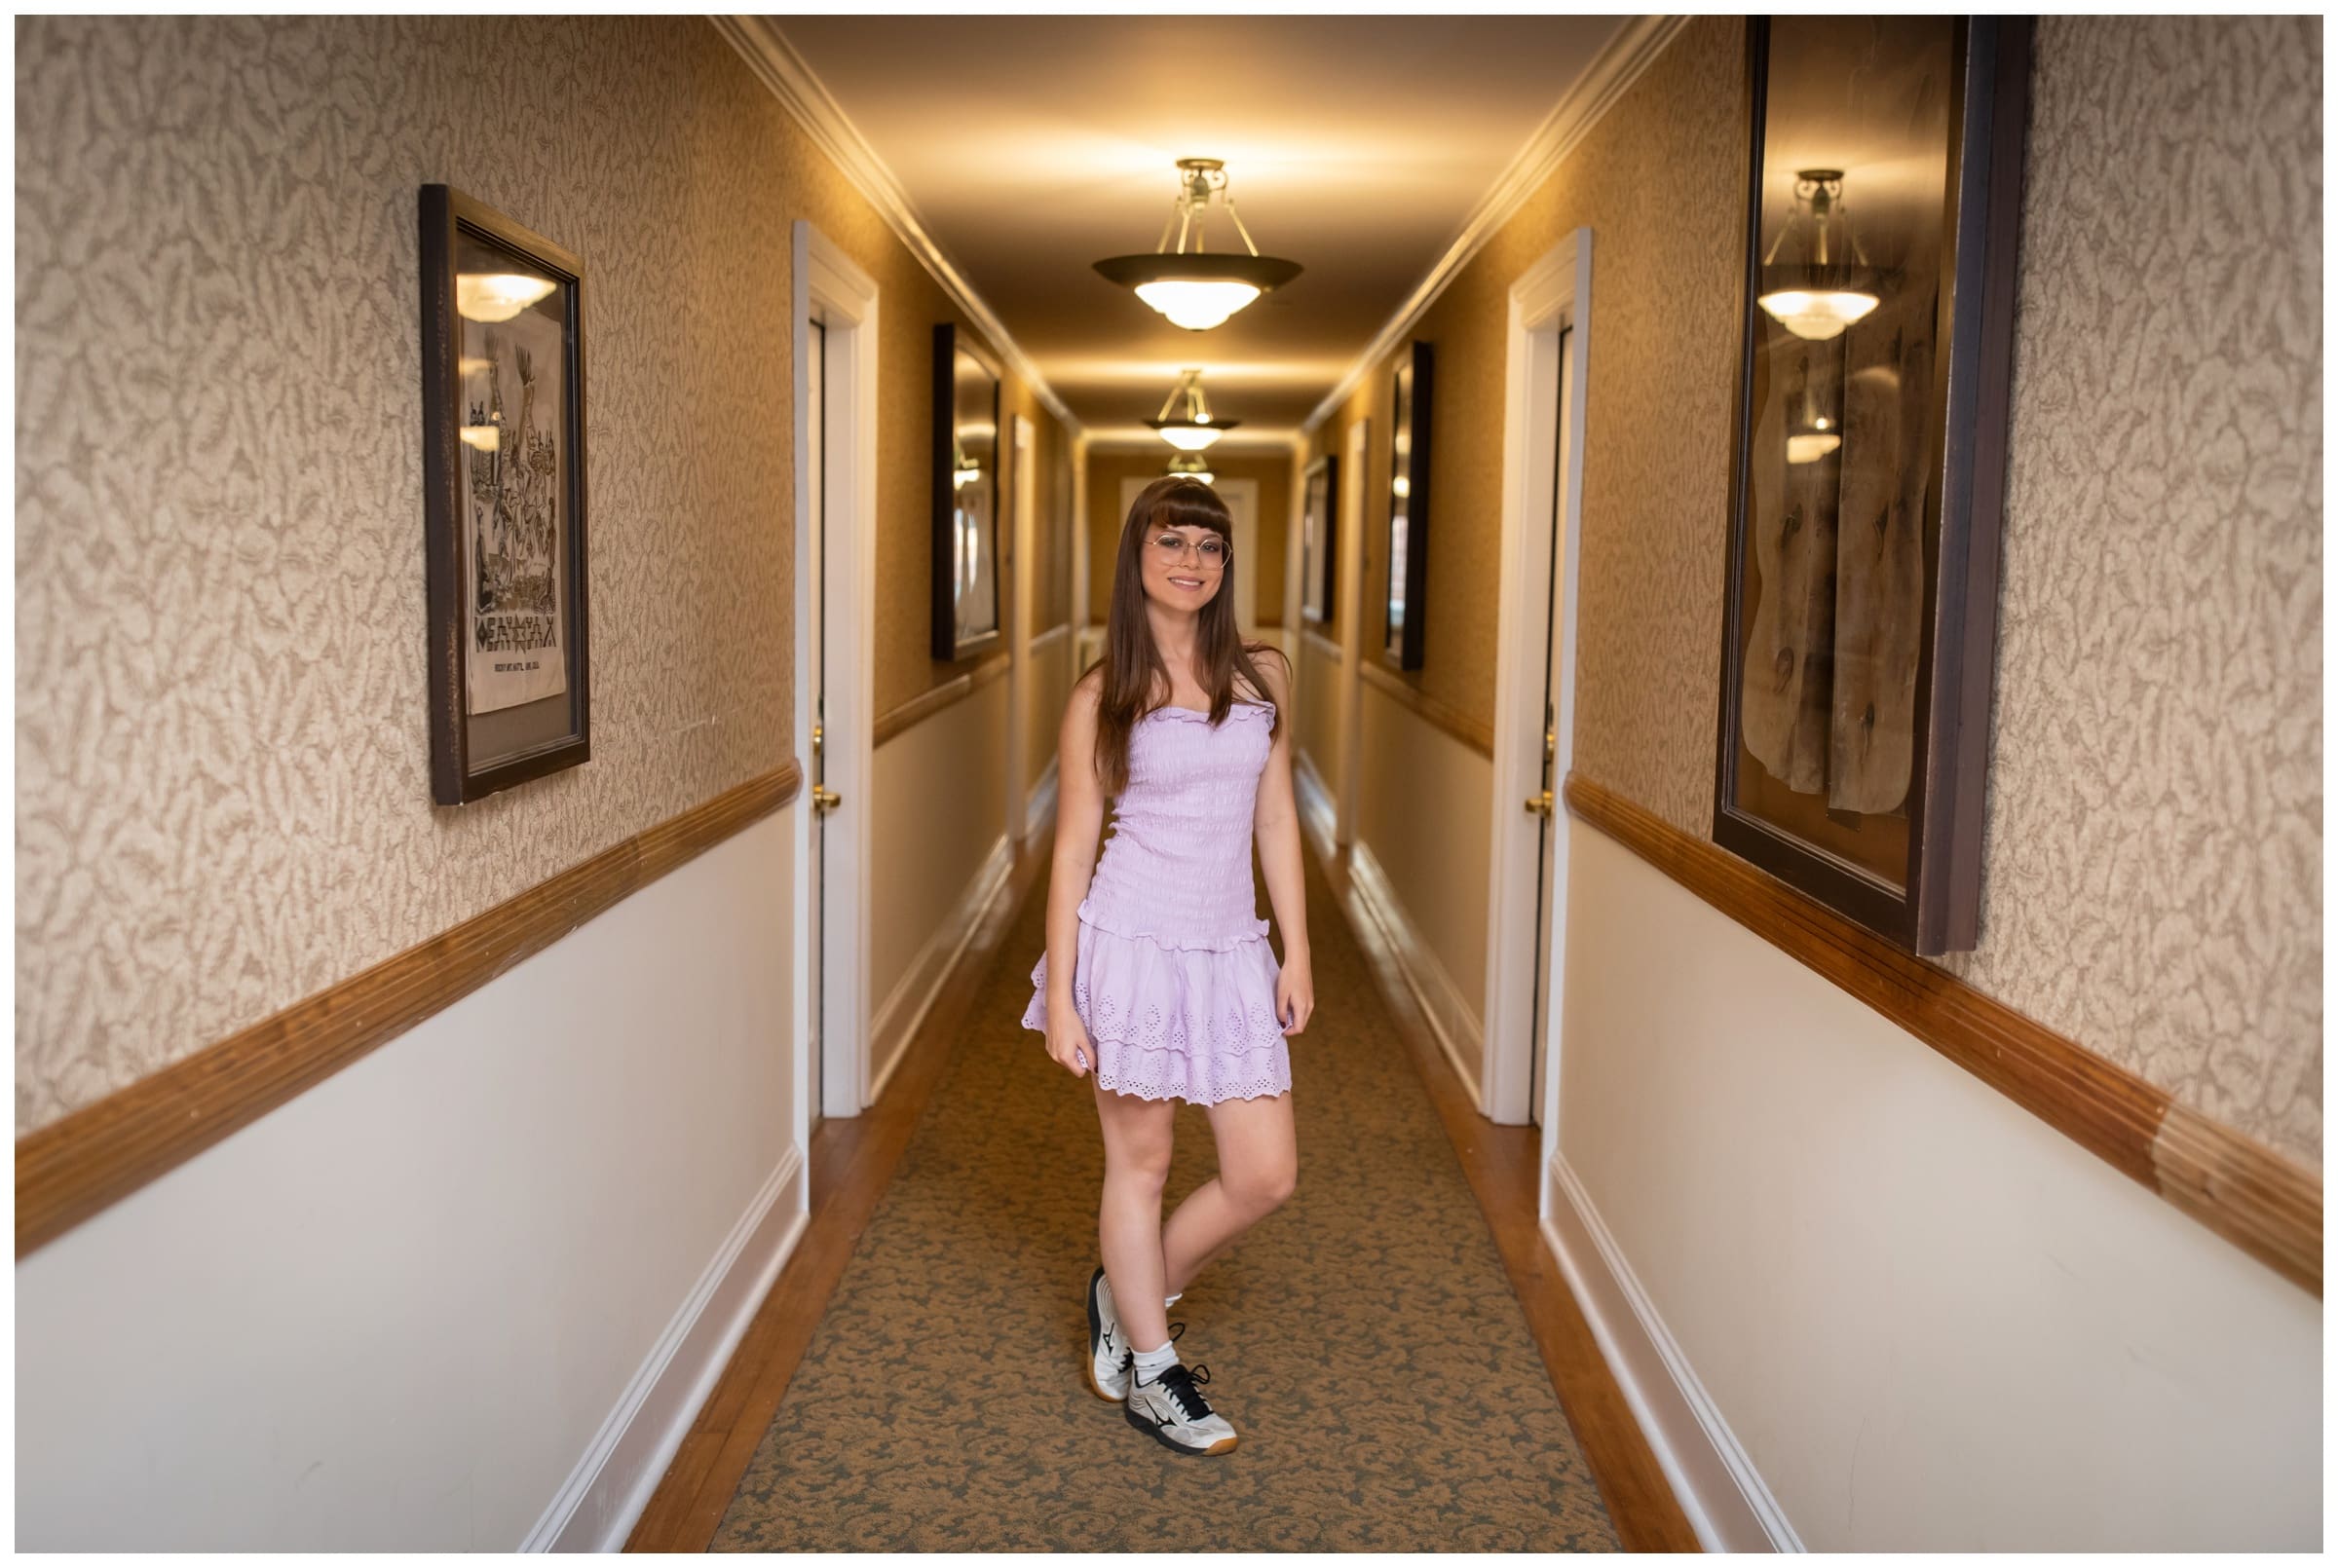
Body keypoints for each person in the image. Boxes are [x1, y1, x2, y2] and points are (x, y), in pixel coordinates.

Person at [1019, 474, 1314, 1458]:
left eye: (1209, 546)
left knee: (1265, 1173)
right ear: (1137, 558)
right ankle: (1154, 1367)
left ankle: (1128, 1284)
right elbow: (1070, 847)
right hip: (1133, 947)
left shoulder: (1263, 675)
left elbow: (1275, 816)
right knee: (1140, 1165)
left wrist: (1297, 948)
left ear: (1225, 565)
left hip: (1231, 949)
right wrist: (1062, 993)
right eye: (1172, 542)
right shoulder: (1105, 693)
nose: (1192, 560)